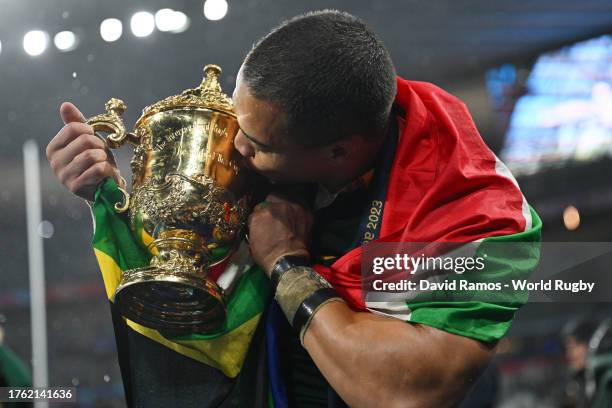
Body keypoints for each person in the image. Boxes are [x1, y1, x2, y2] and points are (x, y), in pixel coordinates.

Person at [46, 10, 541, 407]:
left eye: (256, 145)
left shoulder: (481, 217)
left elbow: (405, 393)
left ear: (338, 152)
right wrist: (107, 191)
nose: (236, 149)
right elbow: (187, 272)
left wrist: (286, 267)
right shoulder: (284, 121)